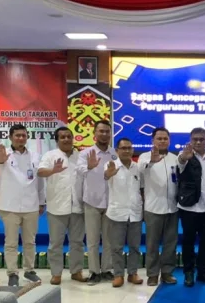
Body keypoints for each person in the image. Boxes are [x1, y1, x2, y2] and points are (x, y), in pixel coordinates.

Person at [0, 124, 45, 287]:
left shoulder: (35, 156)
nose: (21, 138)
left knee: (30, 242)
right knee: (11, 242)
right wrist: (0, 159)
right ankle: (12, 273)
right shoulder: (4, 155)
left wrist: (41, 201)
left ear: (27, 137)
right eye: (17, 135)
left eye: (23, 135)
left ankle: (29, 270)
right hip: (9, 206)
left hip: (31, 205)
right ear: (10, 137)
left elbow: (39, 181)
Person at [38, 127, 87, 285]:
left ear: (73, 138)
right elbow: (40, 172)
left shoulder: (81, 156)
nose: (66, 139)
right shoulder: (50, 155)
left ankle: (76, 271)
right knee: (55, 243)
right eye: (62, 137)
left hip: (77, 206)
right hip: (57, 206)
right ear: (57, 140)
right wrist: (53, 170)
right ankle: (56, 273)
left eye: (68, 136)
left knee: (77, 242)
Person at [77, 120, 117, 285]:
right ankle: (94, 272)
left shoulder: (115, 153)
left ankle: (107, 269)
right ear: (95, 133)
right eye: (101, 131)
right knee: (92, 240)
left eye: (107, 131)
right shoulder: (85, 153)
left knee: (109, 240)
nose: (104, 134)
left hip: (111, 202)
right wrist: (89, 166)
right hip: (92, 201)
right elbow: (80, 170)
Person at [138, 127, 179, 287]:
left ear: (169, 140)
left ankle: (167, 272)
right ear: (153, 141)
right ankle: (153, 274)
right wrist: (152, 161)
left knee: (170, 243)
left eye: (165, 138)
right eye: (159, 138)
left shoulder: (175, 158)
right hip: (153, 208)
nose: (162, 141)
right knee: (152, 243)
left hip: (172, 208)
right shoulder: (144, 157)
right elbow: (140, 170)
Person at [177, 128, 205, 287]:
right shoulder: (184, 155)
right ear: (190, 140)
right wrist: (184, 158)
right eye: (195, 139)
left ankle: (203, 272)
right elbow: (180, 164)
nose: (198, 142)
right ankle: (188, 273)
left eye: (201, 139)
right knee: (188, 242)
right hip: (189, 208)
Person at [104, 139, 144, 288]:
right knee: (117, 247)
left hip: (135, 213)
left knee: (135, 247)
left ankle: (133, 273)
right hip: (117, 213)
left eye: (129, 148)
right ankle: (118, 275)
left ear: (132, 150)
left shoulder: (138, 168)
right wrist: (109, 174)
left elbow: (142, 188)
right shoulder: (110, 165)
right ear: (117, 150)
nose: (127, 151)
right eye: (123, 148)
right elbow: (106, 175)